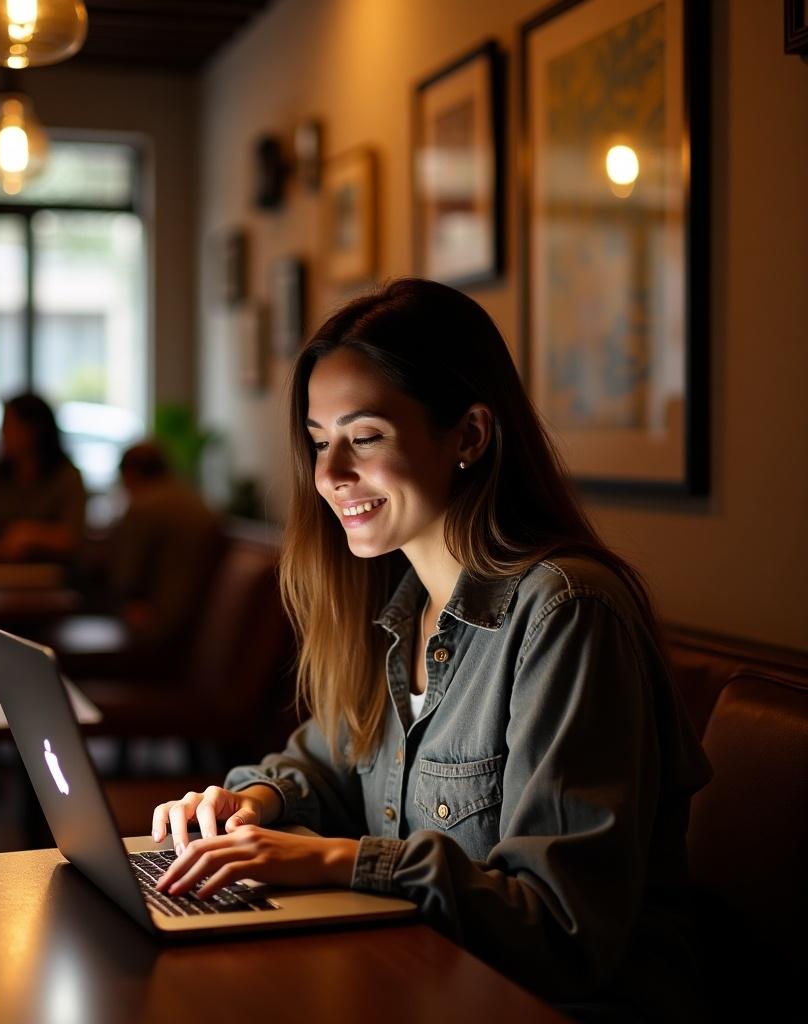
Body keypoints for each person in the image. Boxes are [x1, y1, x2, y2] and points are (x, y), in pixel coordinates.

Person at [149, 279, 711, 1021]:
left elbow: (562, 932)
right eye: (319, 443)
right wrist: (249, 804)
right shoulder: (398, 611)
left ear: (470, 436)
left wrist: (330, 859)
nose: (328, 476)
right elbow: (322, 763)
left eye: (365, 437)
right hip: (426, 983)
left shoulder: (566, 612)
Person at [103, 440, 222, 650]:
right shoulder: (196, 500)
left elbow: (125, 576)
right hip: (203, 618)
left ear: (131, 473)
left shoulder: (143, 507)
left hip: (160, 621)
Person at [0, 392, 86, 562]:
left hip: (52, 577)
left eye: (9, 425)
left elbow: (73, 538)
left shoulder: (67, 478)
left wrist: (30, 535)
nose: (2, 433)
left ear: (33, 430)